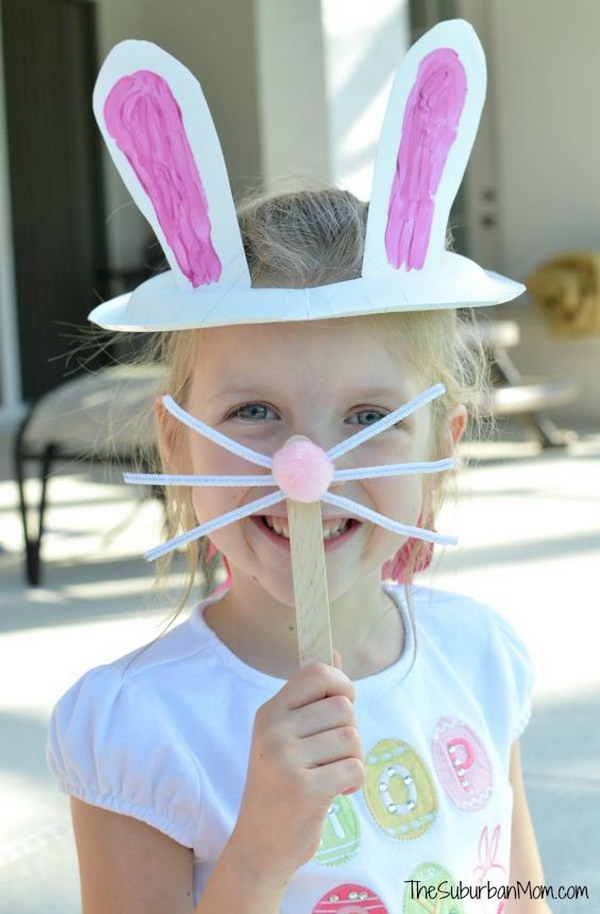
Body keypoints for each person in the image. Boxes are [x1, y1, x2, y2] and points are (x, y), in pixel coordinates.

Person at [47, 23, 552, 914]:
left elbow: (519, 893)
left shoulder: (478, 658)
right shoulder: (139, 729)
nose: (305, 466)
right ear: (178, 449)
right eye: (253, 413)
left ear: (443, 446)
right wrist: (256, 859)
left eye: (368, 418)